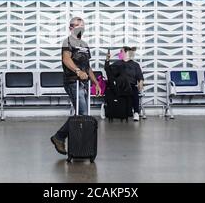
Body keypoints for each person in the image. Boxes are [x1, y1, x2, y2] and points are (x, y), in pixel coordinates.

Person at [50, 17, 101, 155]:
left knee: (80, 113)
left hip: (84, 83)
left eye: (83, 26)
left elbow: (88, 67)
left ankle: (78, 145)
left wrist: (96, 83)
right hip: (72, 82)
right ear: (71, 27)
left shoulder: (84, 44)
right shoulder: (67, 42)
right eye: (78, 26)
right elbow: (66, 59)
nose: (81, 29)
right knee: (83, 113)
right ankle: (60, 137)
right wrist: (78, 71)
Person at [105, 46, 144, 121]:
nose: (119, 53)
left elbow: (140, 77)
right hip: (119, 85)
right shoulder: (118, 63)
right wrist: (107, 59)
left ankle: (136, 112)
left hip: (131, 85)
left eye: (121, 51)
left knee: (134, 91)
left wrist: (140, 83)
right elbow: (108, 70)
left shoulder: (135, 65)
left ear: (126, 53)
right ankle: (112, 111)